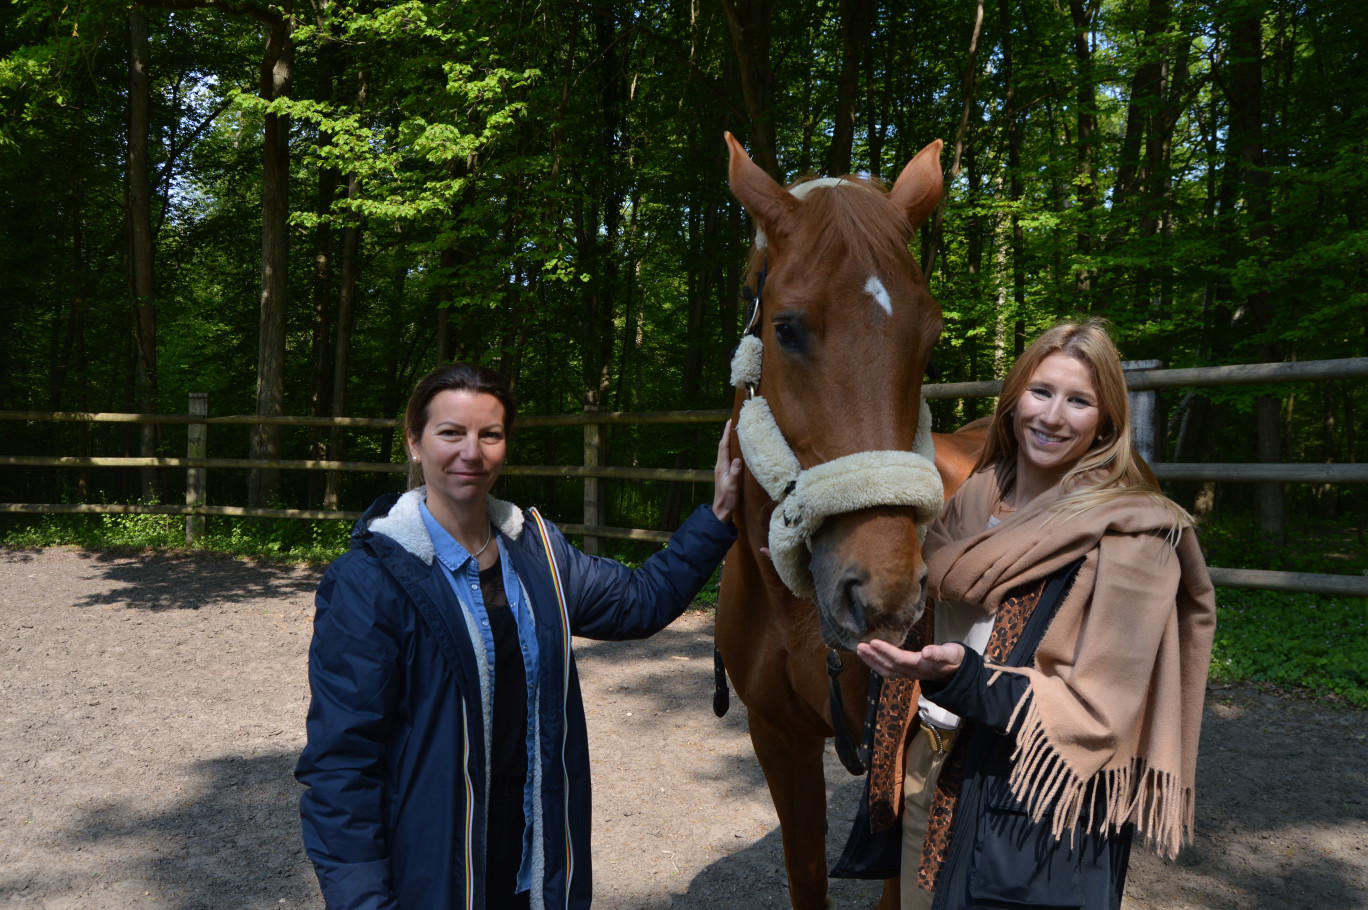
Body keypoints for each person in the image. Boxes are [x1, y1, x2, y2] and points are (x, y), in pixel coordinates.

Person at [295, 361, 741, 910]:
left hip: (536, 863)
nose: (471, 452)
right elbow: (343, 765)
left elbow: (639, 603)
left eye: (491, 434)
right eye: (451, 432)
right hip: (435, 872)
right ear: (414, 442)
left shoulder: (539, 555)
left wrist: (720, 514)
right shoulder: (369, 581)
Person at [853, 319, 1216, 909]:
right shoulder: (972, 500)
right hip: (929, 766)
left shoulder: (1135, 538)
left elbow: (1098, 711)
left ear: (1106, 422)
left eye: (1079, 401)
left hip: (1033, 809)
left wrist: (963, 678)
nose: (1052, 416)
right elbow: (918, 606)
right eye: (1042, 392)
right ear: (1014, 398)